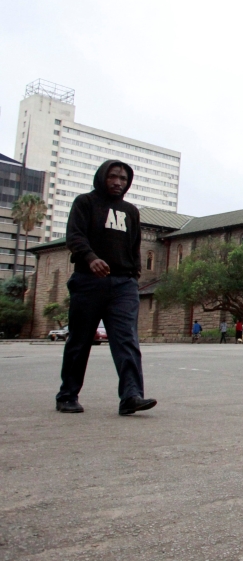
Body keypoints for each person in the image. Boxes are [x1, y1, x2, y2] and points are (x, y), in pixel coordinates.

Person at [56, 160, 157, 416]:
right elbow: (75, 237)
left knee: (127, 340)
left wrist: (133, 276)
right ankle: (67, 395)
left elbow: (135, 247)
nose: (118, 182)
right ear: (102, 177)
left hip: (123, 284)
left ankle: (131, 396)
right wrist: (91, 259)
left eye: (123, 178)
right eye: (113, 177)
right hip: (88, 282)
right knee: (80, 341)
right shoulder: (85, 203)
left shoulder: (131, 212)